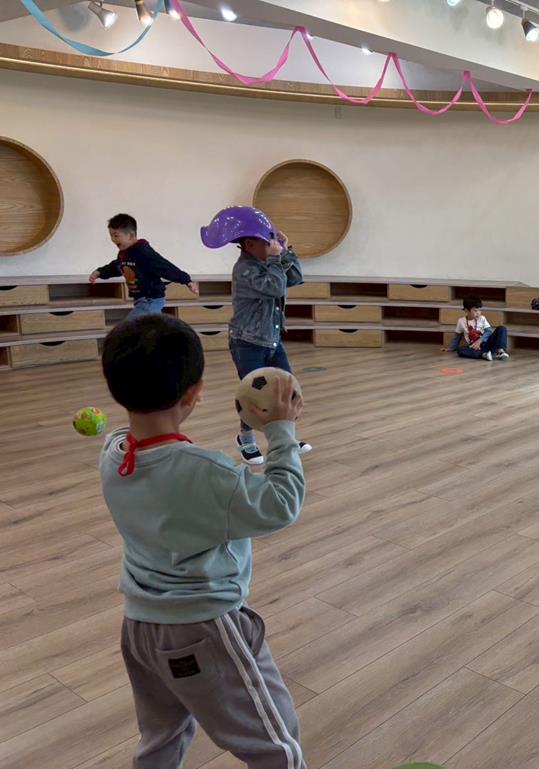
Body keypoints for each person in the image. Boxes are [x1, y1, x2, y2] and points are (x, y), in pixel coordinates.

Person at [99, 313, 307, 768]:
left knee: (162, 736)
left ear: (115, 388)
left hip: (140, 627)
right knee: (277, 745)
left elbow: (126, 436)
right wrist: (280, 432)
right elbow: (281, 504)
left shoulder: (113, 453)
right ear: (194, 393)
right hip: (202, 627)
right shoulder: (207, 472)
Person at [200, 206, 311, 465]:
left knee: (287, 388)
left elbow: (294, 278)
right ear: (249, 244)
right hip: (247, 342)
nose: (273, 246)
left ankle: (285, 438)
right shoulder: (244, 269)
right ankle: (246, 439)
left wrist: (286, 251)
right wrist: (275, 260)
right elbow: (275, 287)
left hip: (271, 339)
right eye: (267, 242)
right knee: (252, 393)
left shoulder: (268, 262)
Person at [90, 213, 198, 319]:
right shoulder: (125, 253)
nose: (113, 239)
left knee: (131, 326)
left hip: (151, 299)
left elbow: (164, 266)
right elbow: (117, 266)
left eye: (116, 235)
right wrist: (100, 272)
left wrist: (186, 280)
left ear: (131, 235)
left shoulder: (143, 252)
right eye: (111, 235)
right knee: (149, 327)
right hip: (140, 299)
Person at [443, 296, 510, 361]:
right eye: (475, 310)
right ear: (466, 310)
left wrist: (480, 341)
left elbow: (489, 332)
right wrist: (451, 348)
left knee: (502, 328)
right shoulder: (461, 321)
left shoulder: (482, 319)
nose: (478, 313)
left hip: (488, 344)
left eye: (479, 310)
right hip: (475, 348)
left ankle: (500, 351)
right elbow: (457, 336)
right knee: (460, 350)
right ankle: (484, 355)